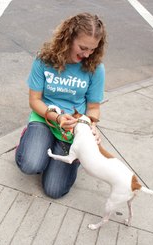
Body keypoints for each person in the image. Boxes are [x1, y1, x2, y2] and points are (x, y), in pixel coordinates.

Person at [15, 12, 107, 199]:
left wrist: (91, 127)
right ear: (69, 37)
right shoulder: (44, 60)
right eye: (83, 47)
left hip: (74, 127)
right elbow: (34, 101)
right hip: (45, 117)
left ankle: (58, 153)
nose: (87, 54)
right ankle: (32, 140)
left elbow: (94, 107)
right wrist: (57, 118)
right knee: (31, 165)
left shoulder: (96, 67)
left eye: (92, 49)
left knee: (54, 190)